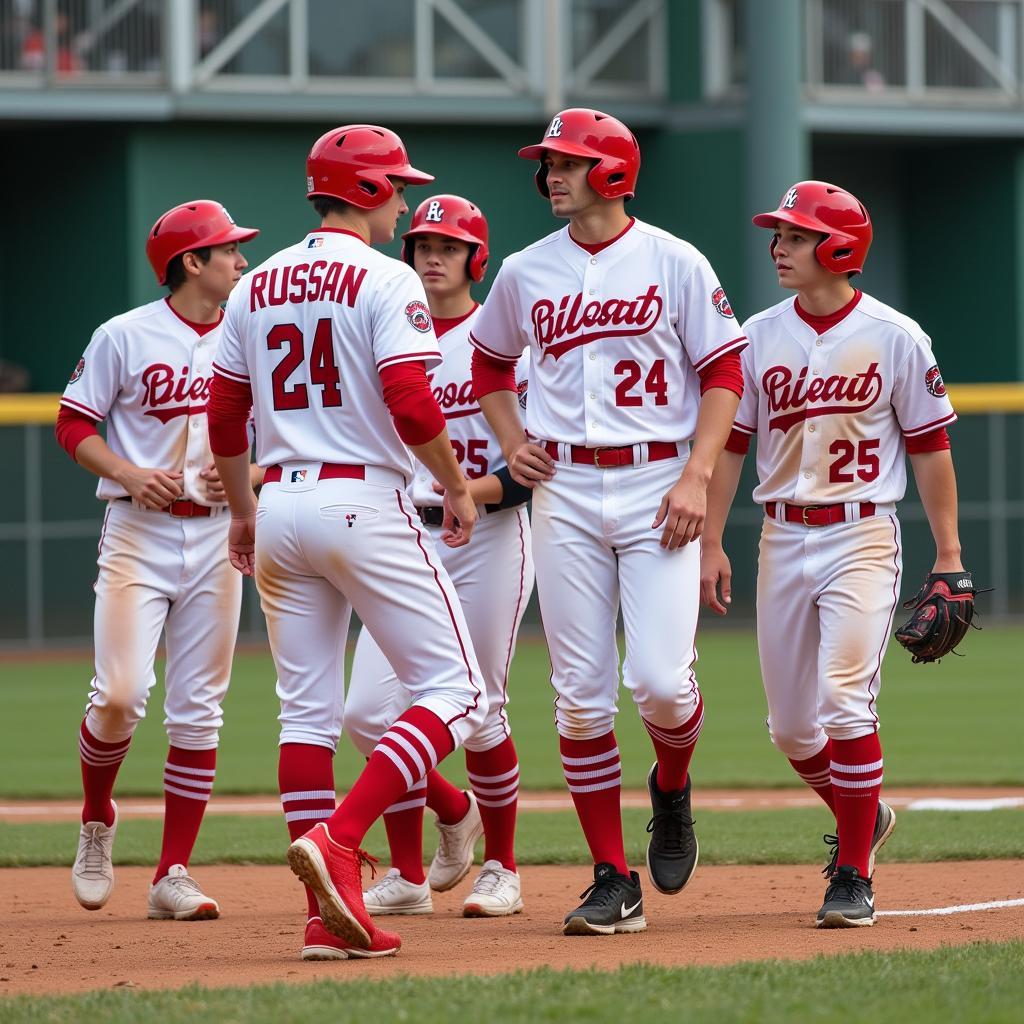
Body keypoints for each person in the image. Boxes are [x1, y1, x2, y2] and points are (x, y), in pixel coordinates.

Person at [206, 126, 488, 961]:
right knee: (459, 689)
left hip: (280, 497)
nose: (402, 200)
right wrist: (458, 482)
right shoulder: (385, 274)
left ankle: (326, 917)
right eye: (395, 186)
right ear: (364, 191)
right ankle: (342, 839)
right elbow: (408, 400)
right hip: (364, 496)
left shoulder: (255, 290)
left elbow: (224, 417)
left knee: (307, 713)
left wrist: (240, 512)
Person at [470, 108, 746, 935]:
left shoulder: (674, 260)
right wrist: (512, 440)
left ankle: (670, 786)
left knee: (662, 683)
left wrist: (699, 475)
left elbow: (725, 368)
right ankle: (609, 877)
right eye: (547, 163)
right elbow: (489, 361)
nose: (551, 174)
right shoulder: (525, 270)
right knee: (581, 700)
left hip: (659, 480)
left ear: (615, 171)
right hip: (563, 489)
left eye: (569, 162)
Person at [700, 180, 962, 927]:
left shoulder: (895, 335)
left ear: (839, 248)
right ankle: (864, 813)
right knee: (789, 728)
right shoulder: (755, 335)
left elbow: (931, 447)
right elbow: (731, 446)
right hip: (781, 536)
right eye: (777, 234)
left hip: (861, 533)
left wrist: (950, 553)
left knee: (846, 700)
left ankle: (853, 873)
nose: (778, 246)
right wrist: (713, 540)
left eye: (794, 235)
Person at [57, 199, 259, 921]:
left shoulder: (252, 334)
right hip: (137, 531)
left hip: (215, 537)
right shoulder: (125, 334)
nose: (241, 260)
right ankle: (95, 817)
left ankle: (172, 872)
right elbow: (72, 422)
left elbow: (284, 440)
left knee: (198, 713)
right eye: (228, 250)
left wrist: (248, 480)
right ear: (191, 262)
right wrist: (130, 472)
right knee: (118, 694)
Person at [345, 194, 533, 919]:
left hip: (489, 533)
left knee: (481, 707)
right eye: (422, 242)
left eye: (449, 246)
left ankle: (504, 868)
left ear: (475, 259)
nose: (431, 254)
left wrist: (469, 493)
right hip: (402, 531)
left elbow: (531, 466)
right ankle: (423, 854)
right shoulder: (386, 323)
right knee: (366, 711)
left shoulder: (500, 337)